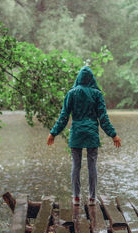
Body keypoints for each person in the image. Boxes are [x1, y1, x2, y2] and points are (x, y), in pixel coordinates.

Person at [47, 66, 121, 206]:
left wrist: (53, 133)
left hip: (76, 134)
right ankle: (92, 198)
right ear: (92, 79)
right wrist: (113, 135)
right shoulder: (97, 94)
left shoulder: (71, 94)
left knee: (76, 165)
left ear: (78, 78)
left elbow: (64, 117)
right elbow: (103, 118)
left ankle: (76, 197)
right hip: (92, 133)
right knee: (92, 165)